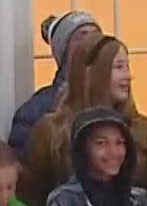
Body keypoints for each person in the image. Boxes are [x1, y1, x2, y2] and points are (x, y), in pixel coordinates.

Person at [23, 35, 147, 206]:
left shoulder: (144, 130)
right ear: (91, 71)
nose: (128, 76)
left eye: (127, 66)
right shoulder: (50, 130)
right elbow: (32, 198)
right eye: (119, 67)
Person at [10, 11, 101, 156]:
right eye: (81, 35)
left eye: (96, 34)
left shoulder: (115, 97)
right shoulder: (36, 110)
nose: (91, 41)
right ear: (64, 51)